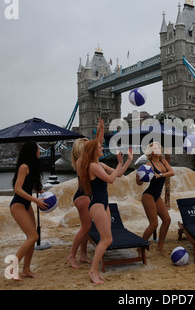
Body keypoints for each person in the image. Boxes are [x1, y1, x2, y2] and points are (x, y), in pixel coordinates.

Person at [78, 140, 133, 284]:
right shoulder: (92, 166)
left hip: (104, 204)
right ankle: (92, 271)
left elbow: (119, 174)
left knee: (107, 239)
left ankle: (95, 270)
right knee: (106, 239)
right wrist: (119, 165)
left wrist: (126, 161)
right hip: (96, 205)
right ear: (92, 151)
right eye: (99, 147)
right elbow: (110, 179)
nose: (102, 148)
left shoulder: (100, 165)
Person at [66, 119, 104, 268]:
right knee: (85, 228)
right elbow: (95, 147)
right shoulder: (81, 161)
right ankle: (71, 256)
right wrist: (98, 133)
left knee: (85, 228)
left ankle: (82, 255)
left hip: (86, 196)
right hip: (82, 198)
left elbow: (97, 146)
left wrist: (100, 130)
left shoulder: (86, 160)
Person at [10, 141, 47, 279]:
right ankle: (12, 268)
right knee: (33, 237)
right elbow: (17, 189)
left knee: (31, 238)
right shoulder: (24, 167)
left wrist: (43, 193)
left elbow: (32, 186)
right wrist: (35, 200)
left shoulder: (32, 166)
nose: (40, 150)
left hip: (26, 205)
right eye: (38, 148)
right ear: (33, 150)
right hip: (18, 205)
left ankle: (26, 270)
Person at [135, 142, 174, 256]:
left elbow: (172, 172)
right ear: (150, 152)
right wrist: (138, 179)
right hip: (148, 196)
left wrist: (160, 175)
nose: (157, 149)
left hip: (157, 196)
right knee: (154, 224)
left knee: (167, 220)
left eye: (158, 147)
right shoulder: (149, 165)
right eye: (154, 148)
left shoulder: (163, 161)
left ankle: (159, 247)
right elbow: (140, 183)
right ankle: (140, 247)